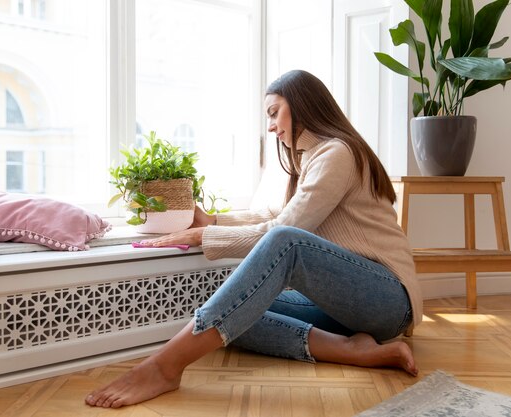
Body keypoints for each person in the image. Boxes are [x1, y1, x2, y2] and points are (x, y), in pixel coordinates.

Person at [85, 69, 423, 409]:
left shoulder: (337, 153)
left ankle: (164, 366)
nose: (271, 126)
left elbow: (286, 228)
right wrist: (214, 220)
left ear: (302, 104)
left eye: (274, 113)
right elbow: (277, 213)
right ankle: (350, 349)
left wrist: (207, 235)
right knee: (234, 309)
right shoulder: (313, 158)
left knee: (285, 243)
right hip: (347, 307)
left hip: (388, 299)